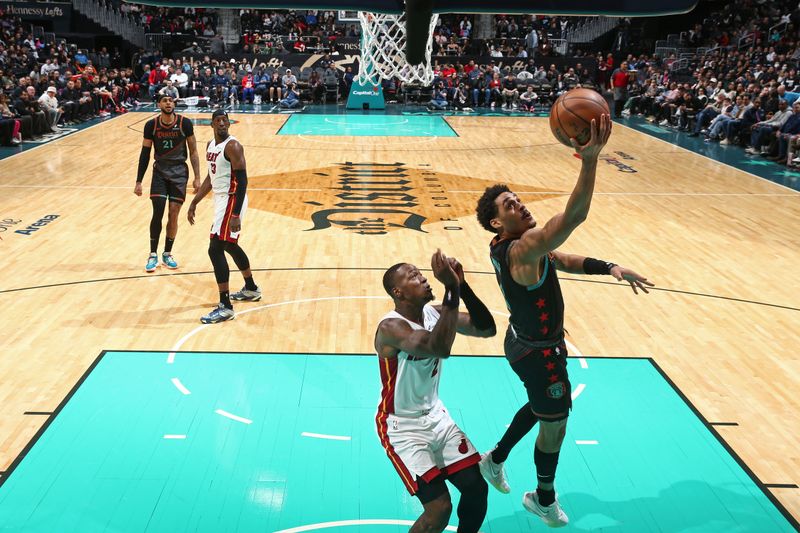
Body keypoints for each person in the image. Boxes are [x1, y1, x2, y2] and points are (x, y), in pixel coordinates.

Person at [474, 115, 653, 527]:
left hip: (525, 342)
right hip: (538, 354)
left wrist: (609, 267)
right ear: (499, 223)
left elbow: (563, 259)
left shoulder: (507, 246)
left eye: (517, 197)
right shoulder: (522, 249)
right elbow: (572, 219)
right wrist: (589, 161)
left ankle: (494, 459)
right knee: (555, 423)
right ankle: (542, 498)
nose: (519, 202)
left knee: (543, 408)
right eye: (509, 205)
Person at [375, 250, 497, 533]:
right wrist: (451, 288)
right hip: (401, 427)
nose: (424, 278)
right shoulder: (391, 327)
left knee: (476, 489)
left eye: (421, 273)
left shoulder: (437, 313)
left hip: (437, 418)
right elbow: (438, 348)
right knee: (439, 508)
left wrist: (462, 286)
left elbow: (486, 328)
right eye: (414, 276)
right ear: (398, 292)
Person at [187, 109, 261, 324]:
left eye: (225, 120)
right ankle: (251, 288)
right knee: (228, 245)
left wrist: (236, 214)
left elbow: (243, 182)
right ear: (211, 124)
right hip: (221, 199)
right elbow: (211, 178)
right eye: (218, 120)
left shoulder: (233, 146)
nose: (222, 123)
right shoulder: (211, 145)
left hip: (232, 198)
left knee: (215, 247)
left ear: (229, 124)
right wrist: (194, 201)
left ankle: (225, 306)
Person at [134, 94, 202, 272]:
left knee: (173, 214)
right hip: (160, 172)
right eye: (165, 100)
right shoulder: (151, 125)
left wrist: (197, 177)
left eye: (171, 100)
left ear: (174, 104)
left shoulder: (185, 123)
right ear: (159, 104)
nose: (168, 103)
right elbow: (145, 153)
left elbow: (193, 151)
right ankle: (152, 254)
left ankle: (167, 253)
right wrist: (139, 180)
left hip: (180, 172)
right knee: (158, 211)